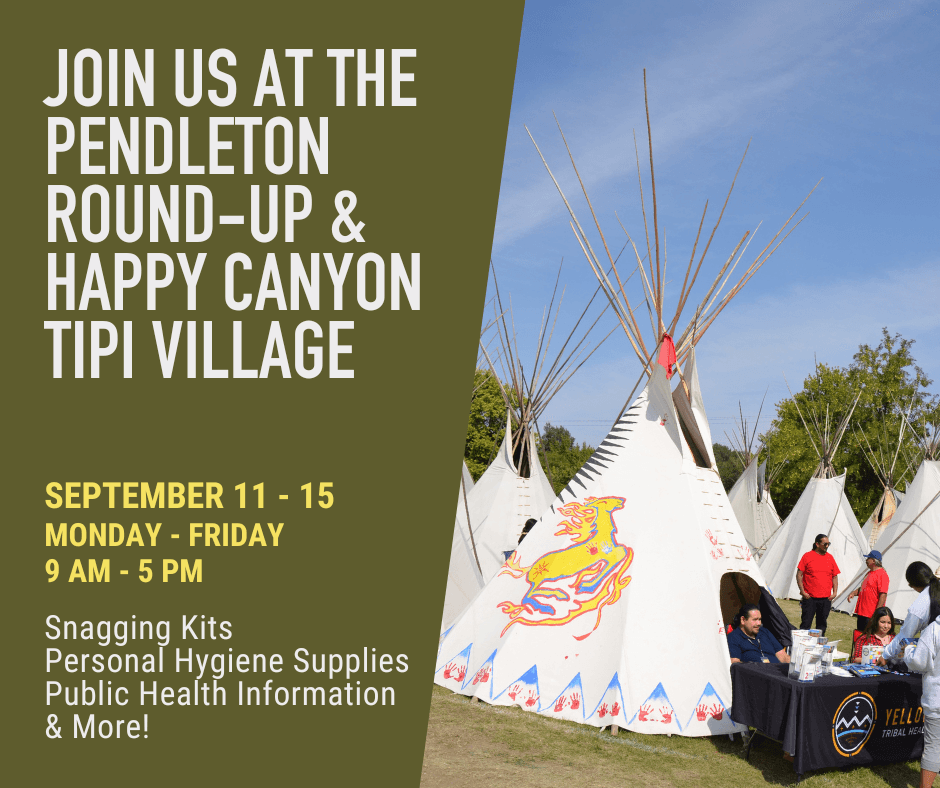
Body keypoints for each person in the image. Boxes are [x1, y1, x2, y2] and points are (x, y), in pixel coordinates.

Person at [904, 611, 940, 788]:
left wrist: (909, 650)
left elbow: (919, 663)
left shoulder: (934, 630)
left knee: (933, 748)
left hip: (937, 699)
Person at [878, 562, 940, 665]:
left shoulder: (919, 606)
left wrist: (885, 655)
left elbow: (905, 635)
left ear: (913, 584)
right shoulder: (932, 595)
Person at [795, 533, 840, 634]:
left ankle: (819, 646)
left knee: (821, 626)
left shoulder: (830, 558)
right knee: (805, 625)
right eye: (825, 544)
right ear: (817, 544)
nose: (827, 546)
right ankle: (802, 646)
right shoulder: (807, 556)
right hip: (810, 598)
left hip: (825, 599)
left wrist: (835, 592)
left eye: (829, 544)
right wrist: (802, 591)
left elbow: (835, 576)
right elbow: (799, 574)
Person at [846, 550, 889, 632]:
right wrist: (853, 593)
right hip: (862, 612)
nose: (866, 560)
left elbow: (883, 595)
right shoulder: (869, 573)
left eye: (868, 558)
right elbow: (864, 588)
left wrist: (877, 613)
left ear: (873, 560)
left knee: (869, 638)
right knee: (860, 636)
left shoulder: (882, 575)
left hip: (871, 614)